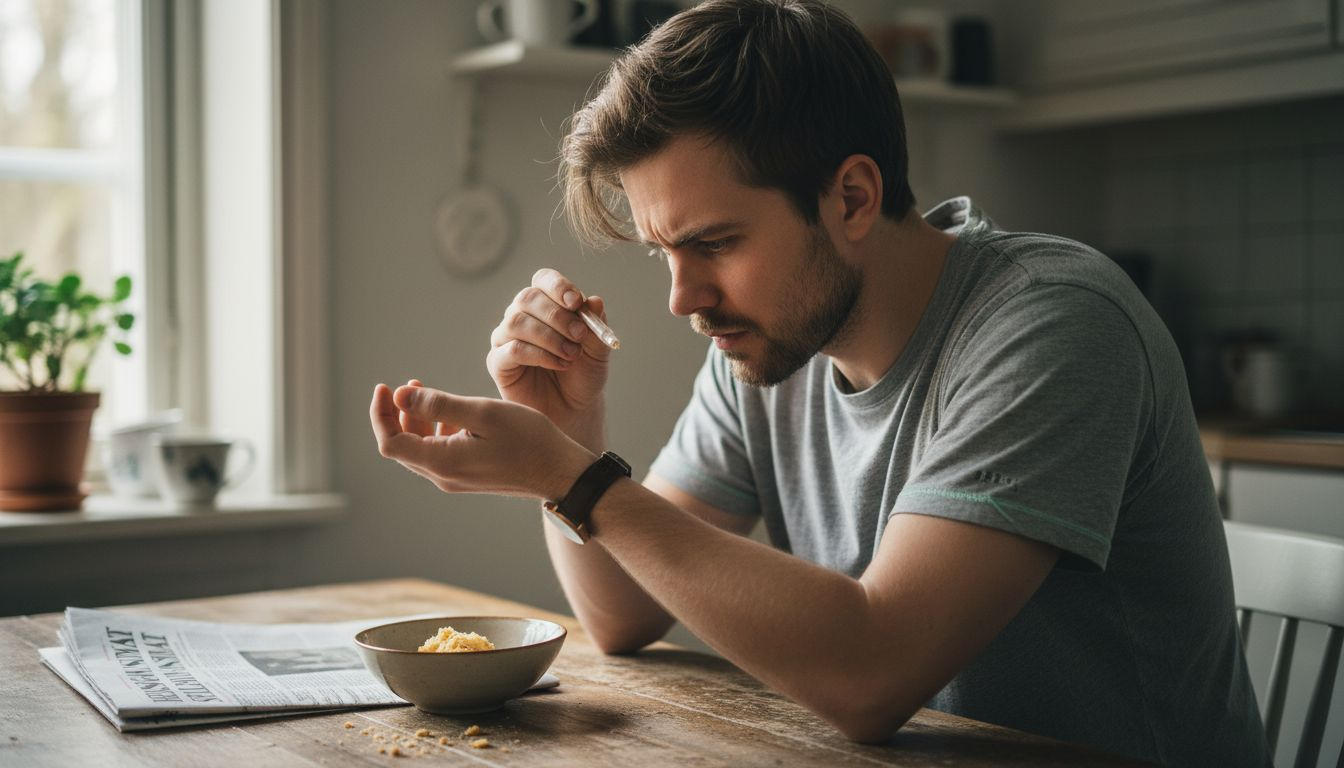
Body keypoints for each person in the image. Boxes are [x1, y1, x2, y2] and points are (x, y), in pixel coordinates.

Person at [369, 1, 1271, 765]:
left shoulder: (1055, 326)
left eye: (714, 244)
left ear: (851, 198)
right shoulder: (773, 342)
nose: (683, 297)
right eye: (664, 253)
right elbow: (621, 612)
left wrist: (575, 479)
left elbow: (871, 673)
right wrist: (566, 443)